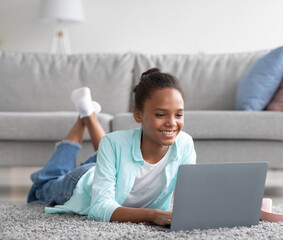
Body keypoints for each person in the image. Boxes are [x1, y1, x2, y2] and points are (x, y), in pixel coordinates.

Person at [27, 68, 196, 226]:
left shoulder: (185, 144)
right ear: (138, 115)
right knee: (44, 183)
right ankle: (85, 116)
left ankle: (86, 112)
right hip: (82, 183)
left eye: (179, 114)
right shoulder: (113, 143)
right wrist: (151, 215)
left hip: (112, 170)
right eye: (160, 114)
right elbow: (99, 208)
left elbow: (189, 200)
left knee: (113, 148)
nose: (172, 123)